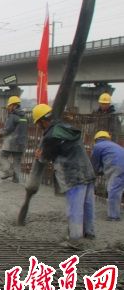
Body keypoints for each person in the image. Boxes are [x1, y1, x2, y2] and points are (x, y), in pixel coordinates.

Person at [32, 104, 97, 243]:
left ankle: (75, 239)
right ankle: (89, 233)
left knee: (75, 207)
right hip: (87, 171)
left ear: (42, 121)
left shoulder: (50, 135)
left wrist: (39, 155)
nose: (38, 127)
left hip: (73, 175)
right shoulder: (65, 127)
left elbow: (46, 156)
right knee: (88, 204)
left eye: (37, 124)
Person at [90, 130, 124, 221]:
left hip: (117, 166)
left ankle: (113, 216)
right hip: (121, 165)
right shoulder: (113, 145)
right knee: (118, 189)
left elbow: (95, 163)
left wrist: (94, 174)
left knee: (113, 189)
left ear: (96, 139)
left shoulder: (97, 146)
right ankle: (116, 211)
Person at [0, 96, 28, 183]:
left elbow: (8, 129)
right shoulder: (25, 117)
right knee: (17, 162)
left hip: (12, 142)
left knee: (2, 156)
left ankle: (8, 171)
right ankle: (16, 181)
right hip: (21, 143)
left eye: (9, 106)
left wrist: (1, 134)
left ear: (14, 105)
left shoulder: (13, 116)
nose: (8, 108)